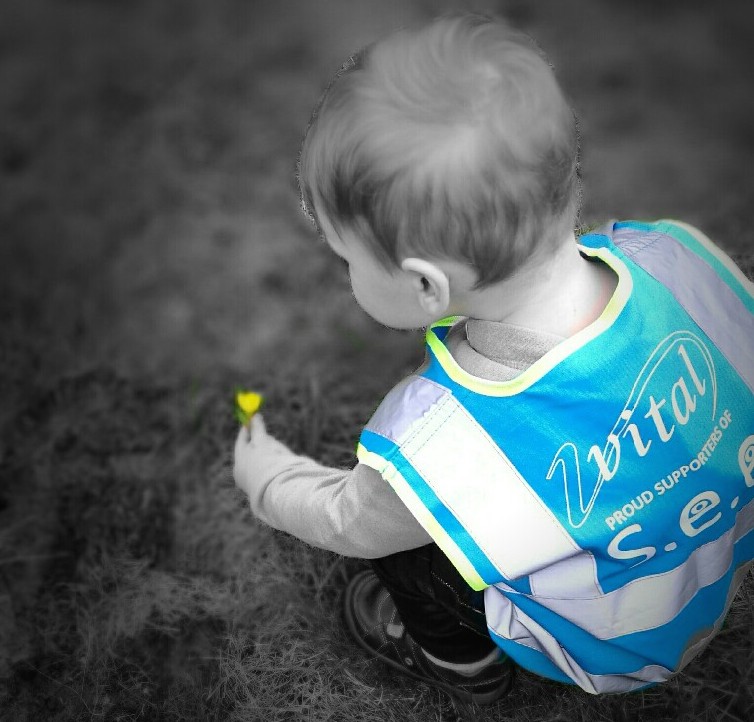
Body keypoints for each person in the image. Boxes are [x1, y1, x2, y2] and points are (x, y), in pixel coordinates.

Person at [233, 13, 754, 704]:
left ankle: (460, 663)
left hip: (602, 644)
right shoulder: (679, 260)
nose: (344, 274)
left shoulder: (442, 438)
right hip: (712, 572)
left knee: (409, 550)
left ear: (425, 285)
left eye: (346, 259)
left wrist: (267, 478)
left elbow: (349, 523)